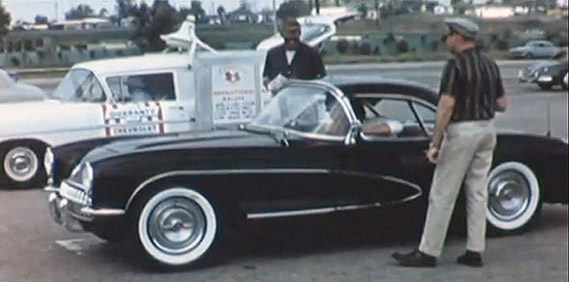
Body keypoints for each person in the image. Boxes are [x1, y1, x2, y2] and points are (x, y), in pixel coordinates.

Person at [391, 17, 508, 268]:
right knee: (477, 191)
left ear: (458, 36)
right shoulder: (490, 64)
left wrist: (435, 142)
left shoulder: (455, 65)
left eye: (449, 35)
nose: (446, 39)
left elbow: (446, 106)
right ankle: (475, 249)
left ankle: (428, 251)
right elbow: (502, 104)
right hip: (487, 129)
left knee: (443, 192)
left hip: (462, 130)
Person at [263, 18, 326, 90]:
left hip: (305, 96)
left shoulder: (311, 54)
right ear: (282, 34)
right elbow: (266, 78)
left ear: (300, 33)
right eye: (288, 37)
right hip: (280, 97)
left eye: (295, 35)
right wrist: (271, 85)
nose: (292, 39)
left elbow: (321, 78)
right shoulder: (273, 54)